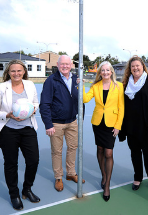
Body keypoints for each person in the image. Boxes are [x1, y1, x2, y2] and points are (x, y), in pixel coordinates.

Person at [0, 60, 40, 211]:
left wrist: (32, 109)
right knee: (11, 163)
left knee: (33, 161)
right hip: (8, 130)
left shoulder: (30, 85)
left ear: (24, 71)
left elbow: (36, 103)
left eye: (19, 71)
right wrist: (8, 115)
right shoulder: (1, 88)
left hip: (27, 128)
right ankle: (14, 195)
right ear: (8, 72)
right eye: (13, 71)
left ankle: (27, 189)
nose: (16, 74)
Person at [39, 55, 85, 192]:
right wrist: (48, 124)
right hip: (56, 123)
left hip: (72, 121)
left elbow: (80, 99)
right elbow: (45, 104)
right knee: (57, 151)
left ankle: (71, 173)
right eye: (62, 64)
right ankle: (58, 177)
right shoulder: (51, 80)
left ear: (71, 65)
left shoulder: (76, 79)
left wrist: (80, 119)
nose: (65, 66)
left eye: (67, 64)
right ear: (57, 65)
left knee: (73, 147)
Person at [82, 61, 124, 202]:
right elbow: (85, 99)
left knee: (108, 152)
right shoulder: (95, 86)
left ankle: (107, 186)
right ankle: (104, 175)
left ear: (111, 72)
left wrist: (118, 126)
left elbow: (121, 108)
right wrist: (81, 85)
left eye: (108, 70)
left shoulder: (119, 86)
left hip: (112, 124)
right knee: (100, 149)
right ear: (100, 73)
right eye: (103, 70)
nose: (105, 72)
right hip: (98, 123)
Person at [119, 55, 148, 192]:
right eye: (133, 66)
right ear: (130, 69)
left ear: (143, 66)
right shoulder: (126, 83)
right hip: (131, 125)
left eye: (138, 65)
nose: (135, 68)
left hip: (147, 125)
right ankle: (137, 177)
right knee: (135, 153)